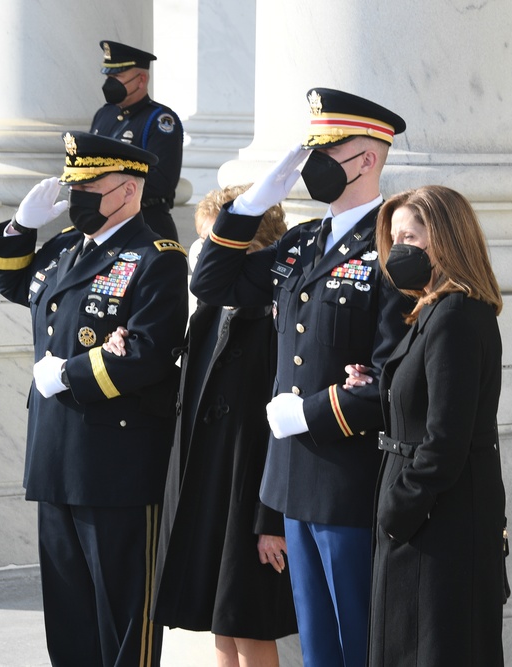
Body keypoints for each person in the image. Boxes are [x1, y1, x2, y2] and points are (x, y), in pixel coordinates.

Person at [189, 88, 411, 667]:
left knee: (358, 642)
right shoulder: (302, 244)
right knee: (317, 648)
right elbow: (213, 283)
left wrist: (310, 413)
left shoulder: (394, 247)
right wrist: (259, 198)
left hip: (349, 477)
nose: (314, 164)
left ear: (367, 159)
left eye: (328, 150)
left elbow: (394, 379)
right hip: (291, 479)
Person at [0, 131, 189, 667]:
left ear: (126, 190)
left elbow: (148, 351)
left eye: (87, 186)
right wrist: (21, 227)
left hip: (115, 464)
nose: (76, 198)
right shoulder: (63, 250)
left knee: (123, 617)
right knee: (69, 611)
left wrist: (71, 374)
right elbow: (10, 283)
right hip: (54, 454)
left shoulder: (155, 257)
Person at [106, 185, 297, 667]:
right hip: (204, 485)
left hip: (248, 490)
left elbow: (279, 428)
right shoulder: (211, 309)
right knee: (220, 623)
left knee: (248, 623)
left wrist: (269, 520)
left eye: (215, 240)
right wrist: (123, 347)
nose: (205, 251)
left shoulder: (278, 314)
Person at [345, 185, 507, 666]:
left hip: (438, 519)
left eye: (411, 238)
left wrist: (399, 509)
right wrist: (382, 384)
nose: (400, 251)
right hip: (424, 513)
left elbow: (446, 438)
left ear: (447, 240)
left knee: (431, 649)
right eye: (394, 239)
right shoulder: (433, 309)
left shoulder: (456, 314)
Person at [91, 40, 183, 241]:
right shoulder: (103, 115)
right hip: (103, 222)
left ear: (141, 80)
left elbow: (161, 182)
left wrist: (106, 182)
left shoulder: (160, 121)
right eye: (108, 76)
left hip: (145, 223)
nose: (110, 83)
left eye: (117, 76)